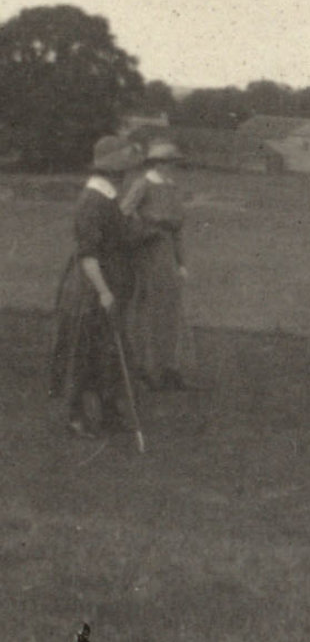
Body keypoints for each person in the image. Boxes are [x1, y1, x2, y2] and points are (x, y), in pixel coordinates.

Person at [49, 134, 146, 437]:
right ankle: (75, 416)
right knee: (84, 352)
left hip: (109, 282)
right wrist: (104, 292)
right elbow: (88, 255)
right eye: (123, 169)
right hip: (90, 289)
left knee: (109, 352)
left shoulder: (108, 197)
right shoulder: (93, 200)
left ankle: (108, 411)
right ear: (112, 170)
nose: (127, 174)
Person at [120, 139, 189, 390]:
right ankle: (146, 369)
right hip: (148, 254)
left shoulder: (172, 187)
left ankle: (169, 367)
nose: (173, 167)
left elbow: (178, 229)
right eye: (169, 163)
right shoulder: (143, 184)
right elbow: (124, 214)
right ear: (157, 163)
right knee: (149, 311)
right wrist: (148, 228)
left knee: (170, 311)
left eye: (175, 163)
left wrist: (181, 262)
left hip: (167, 255)